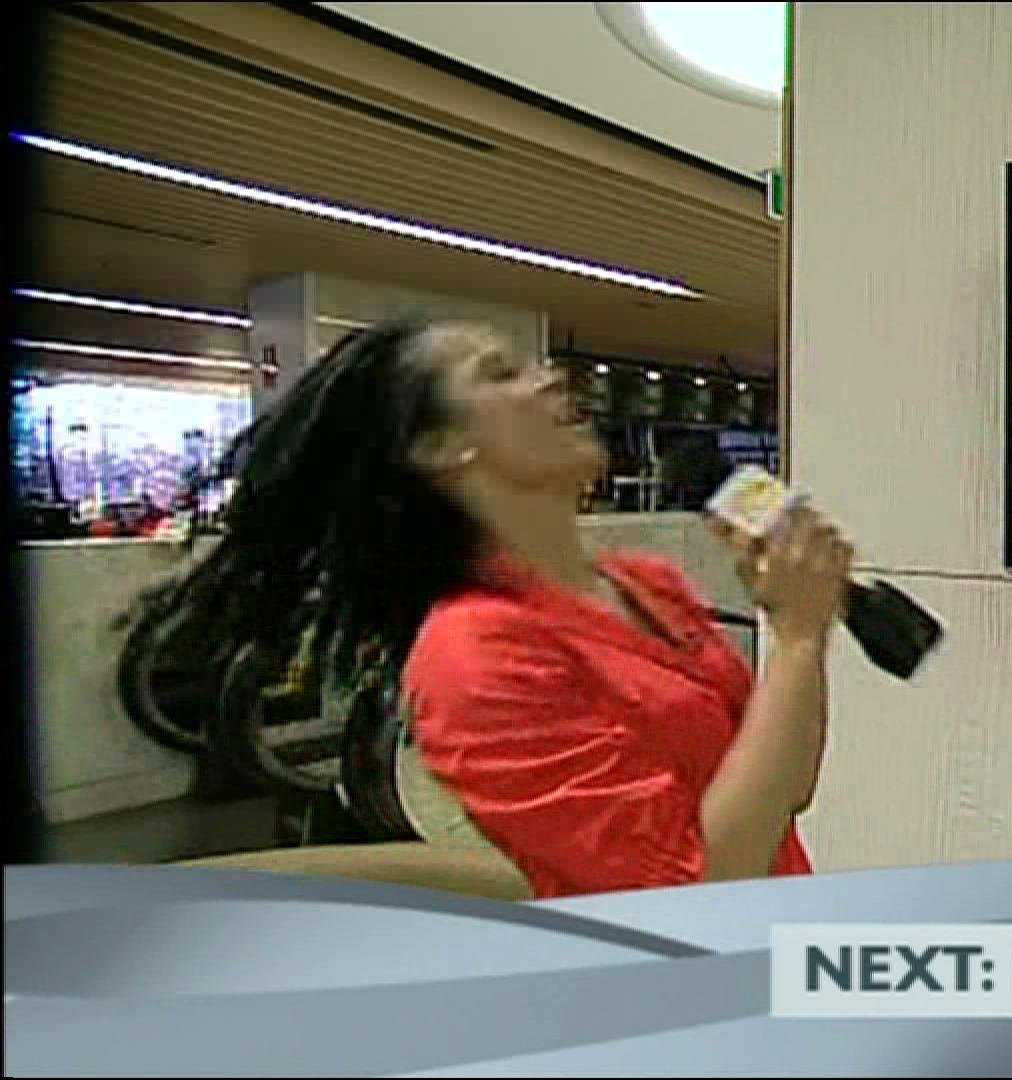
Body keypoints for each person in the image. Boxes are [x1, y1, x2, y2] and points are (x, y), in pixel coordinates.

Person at [122, 315, 849, 897]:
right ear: (439, 445)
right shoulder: (474, 657)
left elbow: (791, 786)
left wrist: (803, 632)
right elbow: (695, 889)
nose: (549, 378)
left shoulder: (645, 583)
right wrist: (794, 640)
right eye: (501, 373)